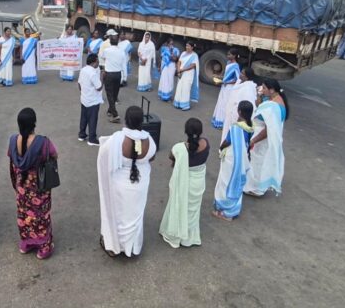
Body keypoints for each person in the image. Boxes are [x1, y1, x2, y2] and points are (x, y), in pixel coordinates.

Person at [97, 106, 157, 257]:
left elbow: (104, 153)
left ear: (126, 120)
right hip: (140, 184)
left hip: (120, 186)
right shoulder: (149, 139)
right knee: (135, 214)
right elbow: (152, 156)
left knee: (119, 216)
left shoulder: (117, 139)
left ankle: (116, 246)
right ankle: (133, 246)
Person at [7, 108, 59, 259]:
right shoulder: (43, 143)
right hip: (39, 187)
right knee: (40, 215)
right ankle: (43, 248)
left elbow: (11, 158)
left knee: (24, 214)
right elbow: (54, 155)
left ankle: (26, 244)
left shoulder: (12, 140)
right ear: (34, 123)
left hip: (22, 187)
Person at [159, 118, 208, 248]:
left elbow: (171, 156)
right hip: (198, 182)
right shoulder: (206, 144)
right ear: (201, 131)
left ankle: (176, 233)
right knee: (193, 209)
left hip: (185, 183)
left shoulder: (180, 148)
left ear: (186, 131)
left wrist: (182, 146)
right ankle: (188, 238)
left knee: (180, 205)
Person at [245, 78, 288, 197]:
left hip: (262, 138)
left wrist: (254, 140)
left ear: (272, 90)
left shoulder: (274, 106)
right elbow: (259, 106)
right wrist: (259, 95)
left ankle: (256, 189)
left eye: (264, 88)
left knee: (258, 161)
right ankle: (254, 186)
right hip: (261, 135)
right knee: (257, 160)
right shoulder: (273, 100)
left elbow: (268, 130)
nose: (262, 90)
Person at [213, 101, 254, 221]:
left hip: (232, 159)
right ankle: (233, 210)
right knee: (236, 184)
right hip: (242, 159)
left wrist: (220, 147)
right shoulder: (250, 126)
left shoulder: (236, 127)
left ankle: (225, 212)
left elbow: (227, 141)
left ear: (239, 112)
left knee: (226, 182)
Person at [220, 67, 259, 143]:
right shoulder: (239, 82)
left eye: (242, 73)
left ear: (247, 77)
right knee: (227, 131)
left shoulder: (248, 89)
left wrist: (239, 117)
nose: (240, 74)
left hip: (237, 115)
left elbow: (248, 106)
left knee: (232, 136)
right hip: (230, 113)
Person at [211, 48, 241, 129]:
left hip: (229, 88)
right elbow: (225, 75)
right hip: (224, 86)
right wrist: (218, 77)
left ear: (234, 56)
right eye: (228, 54)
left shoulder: (236, 66)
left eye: (229, 54)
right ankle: (218, 120)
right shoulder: (228, 63)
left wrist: (225, 82)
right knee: (221, 102)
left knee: (225, 104)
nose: (228, 56)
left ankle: (224, 122)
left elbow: (237, 79)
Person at [78, 54, 103, 146]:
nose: (98, 63)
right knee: (92, 119)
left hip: (84, 98)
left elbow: (79, 84)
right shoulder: (93, 73)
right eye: (98, 61)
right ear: (94, 62)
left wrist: (83, 93)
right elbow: (99, 87)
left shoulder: (83, 70)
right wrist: (102, 77)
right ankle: (92, 139)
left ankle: (82, 134)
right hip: (93, 100)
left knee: (83, 117)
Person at [101, 31, 125, 123]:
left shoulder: (107, 51)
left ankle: (115, 114)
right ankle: (110, 110)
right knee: (115, 94)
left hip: (109, 74)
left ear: (110, 42)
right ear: (118, 42)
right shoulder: (121, 51)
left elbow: (102, 57)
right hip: (118, 74)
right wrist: (124, 77)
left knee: (110, 94)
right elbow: (123, 64)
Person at [173, 41, 199, 111]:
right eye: (186, 46)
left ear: (192, 47)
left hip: (188, 74)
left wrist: (182, 69)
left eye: (188, 46)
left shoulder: (194, 55)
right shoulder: (183, 53)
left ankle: (185, 105)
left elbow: (192, 65)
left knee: (186, 88)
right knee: (180, 87)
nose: (187, 47)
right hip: (181, 72)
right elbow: (179, 62)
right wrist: (178, 70)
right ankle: (178, 103)